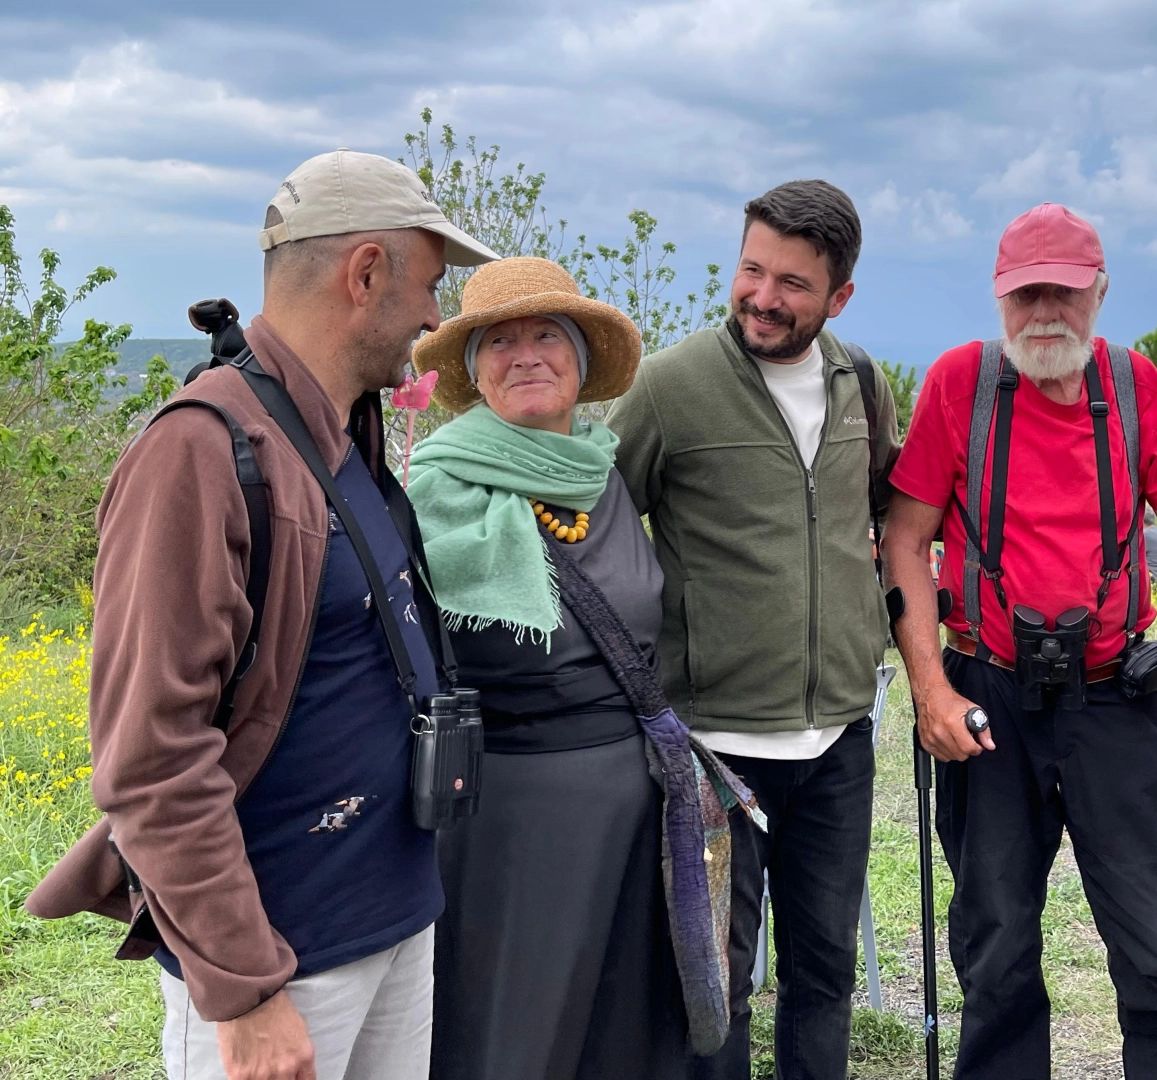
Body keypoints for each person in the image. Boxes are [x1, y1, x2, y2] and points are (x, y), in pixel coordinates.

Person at [25, 150, 497, 1080]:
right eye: (431, 285)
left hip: (394, 922)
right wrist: (243, 988)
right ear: (366, 272)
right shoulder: (200, 453)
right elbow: (151, 756)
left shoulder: (341, 432)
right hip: (285, 961)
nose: (437, 317)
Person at [881, 202, 1157, 1080]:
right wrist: (932, 691)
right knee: (996, 938)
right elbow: (903, 540)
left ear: (1101, 292)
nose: (1045, 312)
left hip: (1116, 695)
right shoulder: (959, 384)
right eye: (1026, 293)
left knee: (1156, 939)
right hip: (989, 695)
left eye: (1065, 293)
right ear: (1000, 297)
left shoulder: (1132, 385)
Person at [607, 179, 900, 1080]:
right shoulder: (669, 387)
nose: (763, 298)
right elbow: (601, 527)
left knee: (825, 972)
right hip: (713, 752)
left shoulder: (862, 384)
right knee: (717, 983)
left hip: (839, 740)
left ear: (839, 296)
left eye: (793, 284)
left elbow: (888, 516)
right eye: (751, 269)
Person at [405, 256, 687, 1079]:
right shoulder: (436, 487)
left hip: (632, 804)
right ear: (474, 371)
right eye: (500, 341)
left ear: (579, 357)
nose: (526, 354)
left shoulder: (604, 472)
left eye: (545, 335)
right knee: (512, 1028)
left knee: (619, 1023)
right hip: (507, 811)